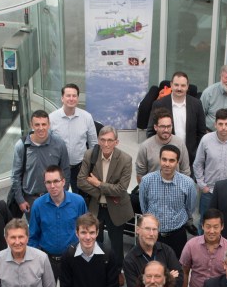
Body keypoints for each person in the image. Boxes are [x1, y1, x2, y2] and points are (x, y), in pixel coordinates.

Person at [29, 165, 85, 287]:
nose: (52, 186)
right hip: (47, 258)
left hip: (72, 257)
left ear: (63, 182)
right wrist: (33, 260)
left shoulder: (78, 202)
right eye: (48, 182)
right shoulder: (38, 205)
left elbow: (85, 228)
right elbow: (33, 235)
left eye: (55, 182)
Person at [77, 125, 134, 262]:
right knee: (95, 240)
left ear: (116, 142)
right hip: (95, 206)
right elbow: (80, 181)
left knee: (116, 243)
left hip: (116, 207)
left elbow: (121, 190)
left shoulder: (126, 159)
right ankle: (97, 266)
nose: (106, 144)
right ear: (98, 140)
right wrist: (102, 191)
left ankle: (117, 270)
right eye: (103, 140)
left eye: (110, 140)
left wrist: (98, 184)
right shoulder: (90, 155)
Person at [139, 144, 197, 256]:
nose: (167, 164)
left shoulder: (188, 183)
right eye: (164, 159)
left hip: (177, 235)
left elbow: (190, 207)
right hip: (153, 235)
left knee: (176, 269)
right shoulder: (146, 181)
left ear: (177, 162)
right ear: (159, 160)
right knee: (153, 268)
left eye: (171, 160)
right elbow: (144, 207)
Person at [194, 108, 227, 222]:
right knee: (204, 221)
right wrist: (202, 185)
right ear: (215, 124)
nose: (224, 127)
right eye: (220, 124)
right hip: (209, 190)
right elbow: (198, 163)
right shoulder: (206, 140)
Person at [10, 110, 70, 213]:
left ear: (49, 125)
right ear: (31, 125)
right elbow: (16, 175)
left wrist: (62, 194)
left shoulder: (59, 144)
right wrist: (20, 200)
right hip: (31, 200)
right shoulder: (21, 146)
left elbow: (65, 170)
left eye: (44, 124)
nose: (41, 128)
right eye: (37, 125)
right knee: (36, 229)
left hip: (54, 197)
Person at [48, 83, 97, 190]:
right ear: (62, 98)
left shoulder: (86, 117)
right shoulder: (51, 118)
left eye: (74, 96)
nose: (71, 98)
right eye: (68, 95)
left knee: (79, 198)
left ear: (78, 98)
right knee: (59, 196)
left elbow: (93, 144)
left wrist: (91, 166)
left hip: (80, 167)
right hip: (58, 167)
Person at [151, 71, 207, 160]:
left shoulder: (197, 104)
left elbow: (201, 132)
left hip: (190, 157)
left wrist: (196, 152)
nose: (179, 88)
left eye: (183, 85)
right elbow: (151, 132)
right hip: (165, 158)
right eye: (176, 85)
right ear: (171, 85)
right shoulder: (159, 104)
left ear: (187, 86)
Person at [123, 213, 184, 287]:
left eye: (154, 229)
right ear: (137, 230)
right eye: (147, 229)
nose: (151, 234)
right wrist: (167, 279)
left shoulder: (166, 250)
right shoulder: (130, 260)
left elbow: (179, 281)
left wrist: (149, 285)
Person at [136, 110, 193, 181]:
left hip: (176, 189)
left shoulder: (180, 143)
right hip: (153, 190)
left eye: (169, 126)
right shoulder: (145, 147)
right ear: (155, 127)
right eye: (163, 126)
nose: (166, 130)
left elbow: (185, 171)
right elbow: (140, 174)